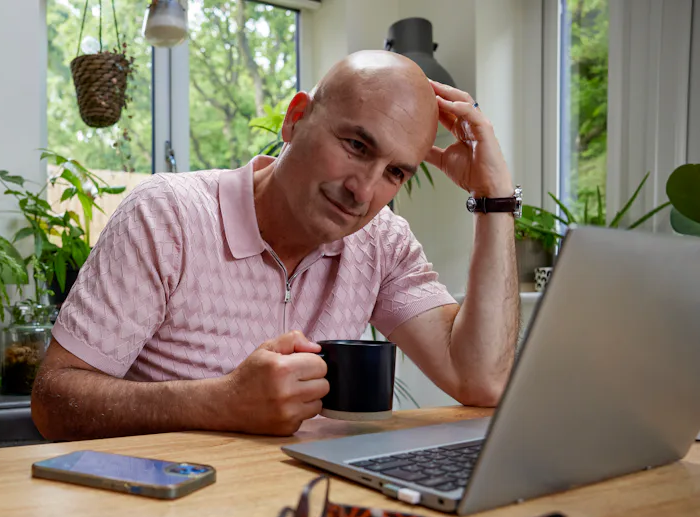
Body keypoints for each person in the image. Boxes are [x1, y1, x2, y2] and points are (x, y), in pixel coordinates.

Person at [31, 50, 519, 441]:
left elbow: (482, 379)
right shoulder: (168, 216)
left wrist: (494, 200)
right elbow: (54, 401)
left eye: (395, 172)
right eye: (357, 146)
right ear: (296, 119)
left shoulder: (382, 242)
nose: (364, 191)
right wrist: (221, 401)